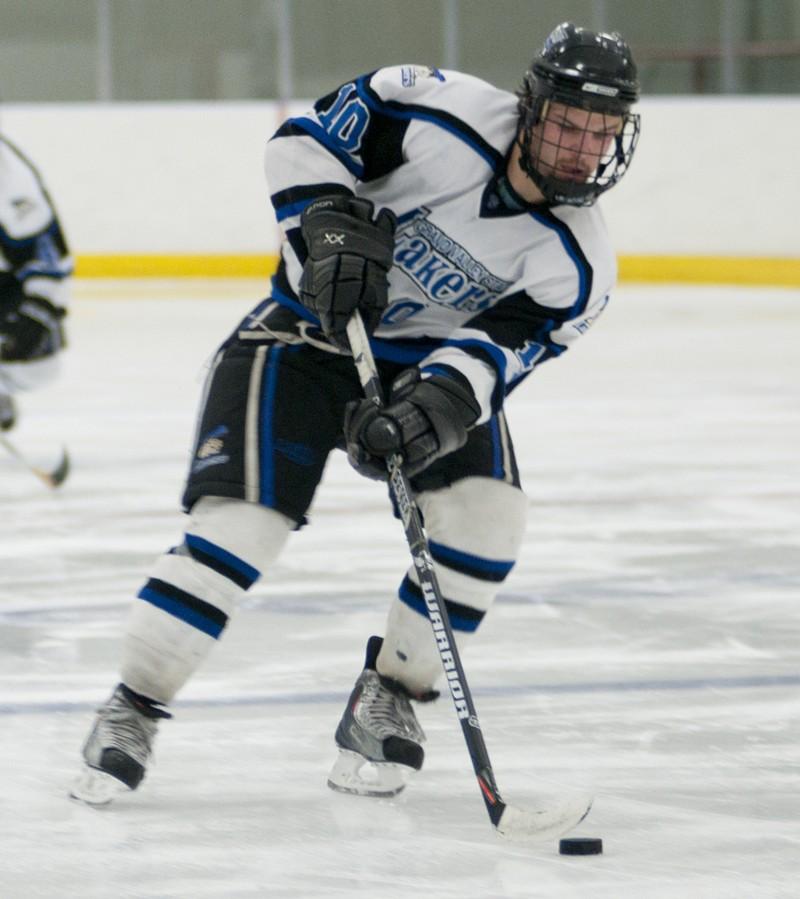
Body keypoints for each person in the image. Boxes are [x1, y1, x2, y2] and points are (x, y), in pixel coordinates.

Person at [71, 21, 640, 805]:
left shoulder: (578, 267)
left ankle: (391, 697)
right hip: (300, 340)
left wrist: (428, 411)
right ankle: (132, 704)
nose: (580, 147)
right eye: (568, 123)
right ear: (532, 108)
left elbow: (489, 358)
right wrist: (326, 227)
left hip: (418, 367)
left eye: (599, 132)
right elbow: (299, 144)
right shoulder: (428, 108)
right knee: (240, 527)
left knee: (487, 517)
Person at [0, 132, 71, 433]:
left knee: (38, 365)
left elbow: (43, 244)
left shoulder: (6, 169)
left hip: (7, 283)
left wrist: (42, 304)